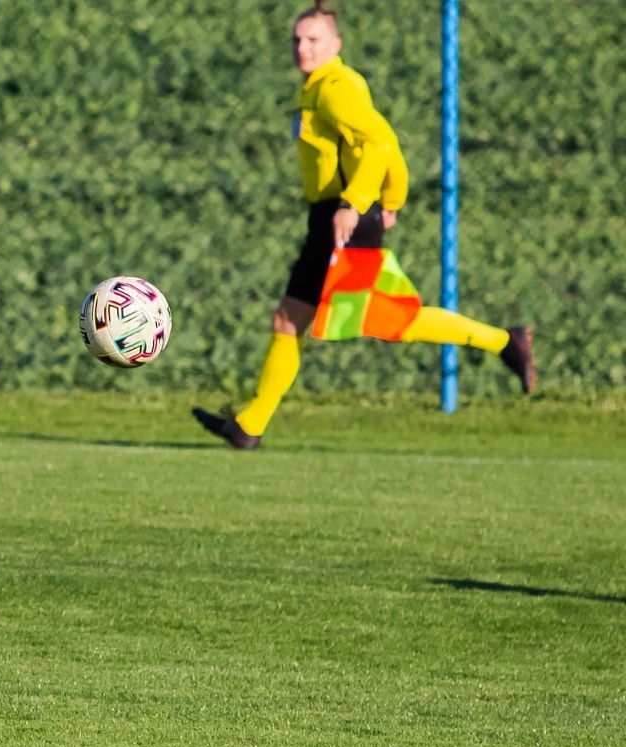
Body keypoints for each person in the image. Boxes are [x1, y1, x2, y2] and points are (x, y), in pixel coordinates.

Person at [193, 0, 535, 450]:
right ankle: (248, 426)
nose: (303, 47)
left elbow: (380, 143)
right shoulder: (317, 88)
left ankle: (503, 341)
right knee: (290, 319)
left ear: (335, 44)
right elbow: (379, 144)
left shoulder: (336, 88)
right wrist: (385, 198)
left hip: (346, 222)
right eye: (297, 39)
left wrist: (360, 204)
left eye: (314, 40)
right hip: (331, 218)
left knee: (395, 322)